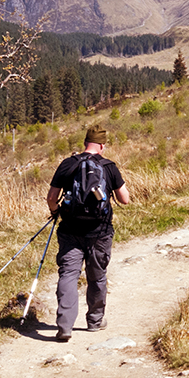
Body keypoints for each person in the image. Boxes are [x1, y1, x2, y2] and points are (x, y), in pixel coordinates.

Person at [46, 125, 131, 342]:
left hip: (70, 231)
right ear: (102, 145)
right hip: (100, 232)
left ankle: (65, 325)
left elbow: (51, 196)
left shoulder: (68, 164)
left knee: (68, 275)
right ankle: (94, 321)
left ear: (85, 143)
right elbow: (124, 199)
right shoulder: (109, 166)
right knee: (97, 275)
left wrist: (56, 211)